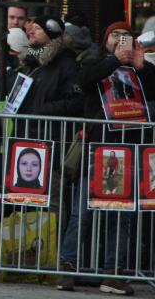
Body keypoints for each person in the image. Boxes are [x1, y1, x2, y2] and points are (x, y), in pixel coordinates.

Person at [57, 20, 152, 295]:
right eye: (115, 35)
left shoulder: (139, 67)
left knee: (120, 215)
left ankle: (113, 273)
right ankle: (67, 267)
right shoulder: (94, 60)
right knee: (82, 213)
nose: (121, 39)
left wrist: (141, 66)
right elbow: (84, 79)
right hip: (97, 148)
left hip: (128, 148)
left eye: (126, 35)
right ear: (106, 40)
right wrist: (114, 61)